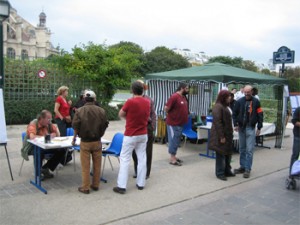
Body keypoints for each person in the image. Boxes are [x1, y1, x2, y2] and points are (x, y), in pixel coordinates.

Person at [113, 81, 150, 194]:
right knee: (142, 158)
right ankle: (141, 183)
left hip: (131, 134)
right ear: (142, 90)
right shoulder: (147, 102)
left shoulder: (130, 101)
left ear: (133, 90)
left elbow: (120, 114)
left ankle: (122, 186)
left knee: (125, 159)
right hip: (143, 134)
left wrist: (128, 118)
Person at [72, 90, 108, 194]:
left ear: (84, 99)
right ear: (94, 99)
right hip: (97, 141)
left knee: (85, 166)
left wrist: (74, 138)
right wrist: (100, 134)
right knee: (97, 165)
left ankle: (85, 187)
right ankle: (96, 185)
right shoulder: (101, 111)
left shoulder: (79, 111)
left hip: (85, 142)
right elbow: (105, 124)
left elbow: (75, 126)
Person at [22, 110, 65, 180]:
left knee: (62, 149)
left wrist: (54, 133)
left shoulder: (48, 124)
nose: (50, 121)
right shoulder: (33, 123)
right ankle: (38, 173)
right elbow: (32, 137)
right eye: (48, 119)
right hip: (31, 147)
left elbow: (57, 134)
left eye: (50, 119)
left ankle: (45, 168)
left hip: (45, 145)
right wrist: (46, 137)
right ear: (41, 118)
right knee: (39, 151)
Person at [232, 85, 263, 178]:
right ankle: (242, 166)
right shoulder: (239, 101)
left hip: (251, 128)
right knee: (242, 149)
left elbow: (260, 114)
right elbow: (234, 114)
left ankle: (247, 169)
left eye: (248, 92)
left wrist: (259, 127)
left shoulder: (256, 102)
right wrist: (236, 124)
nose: (246, 94)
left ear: (252, 91)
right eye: (245, 92)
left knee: (249, 150)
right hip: (241, 128)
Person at [132, 80, 156, 179]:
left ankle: (146, 173)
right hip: (135, 128)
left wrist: (153, 126)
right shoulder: (132, 99)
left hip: (147, 127)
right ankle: (137, 171)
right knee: (134, 151)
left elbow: (153, 114)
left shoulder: (149, 100)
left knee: (147, 151)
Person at [208, 90, 235, 181]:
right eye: (228, 96)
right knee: (221, 154)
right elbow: (217, 122)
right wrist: (221, 137)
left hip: (228, 134)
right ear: (223, 97)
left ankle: (227, 170)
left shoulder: (226, 106)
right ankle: (219, 173)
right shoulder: (218, 107)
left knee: (228, 153)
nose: (230, 98)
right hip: (221, 135)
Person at [164, 83, 189, 166]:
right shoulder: (174, 96)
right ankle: (172, 158)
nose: (187, 90)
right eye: (186, 88)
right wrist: (171, 116)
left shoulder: (184, 97)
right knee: (173, 140)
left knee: (177, 140)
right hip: (173, 123)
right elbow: (166, 108)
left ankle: (174, 156)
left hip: (180, 123)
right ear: (182, 88)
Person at [289, 106, 300, 177]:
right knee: (295, 154)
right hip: (298, 135)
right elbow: (294, 121)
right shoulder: (298, 110)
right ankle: (292, 173)